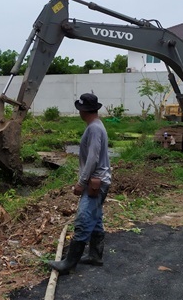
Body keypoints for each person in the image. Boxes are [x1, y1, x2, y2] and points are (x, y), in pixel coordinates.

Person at [48, 93, 112, 274]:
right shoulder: (96, 126)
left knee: (84, 219)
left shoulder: (94, 129)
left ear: (83, 111)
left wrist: (81, 182)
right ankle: (95, 255)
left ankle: (69, 263)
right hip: (99, 181)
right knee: (96, 218)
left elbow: (92, 158)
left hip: (94, 183)